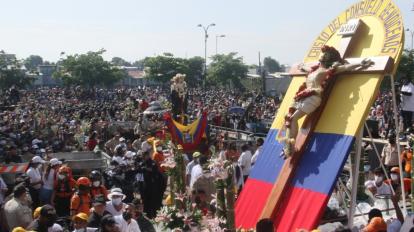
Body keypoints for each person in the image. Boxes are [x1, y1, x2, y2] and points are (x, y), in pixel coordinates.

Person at [278, 45, 373, 157]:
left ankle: (290, 147)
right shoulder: (314, 70)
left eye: (325, 54)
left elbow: (346, 67)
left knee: (293, 118)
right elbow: (303, 68)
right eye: (323, 53)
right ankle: (288, 147)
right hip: (303, 96)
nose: (322, 55)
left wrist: (361, 64)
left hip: (313, 98)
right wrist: (301, 65)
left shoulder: (328, 71)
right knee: (289, 118)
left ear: (328, 58)